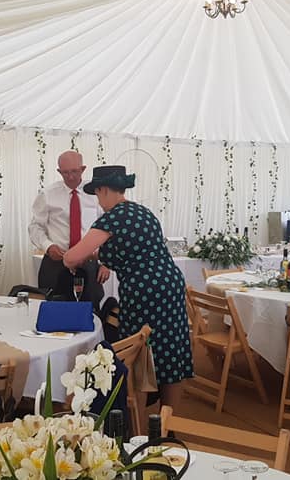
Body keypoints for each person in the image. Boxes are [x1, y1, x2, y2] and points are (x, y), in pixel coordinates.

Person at [63, 165, 193, 409]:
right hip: (171, 284)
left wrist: (70, 258)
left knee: (139, 351)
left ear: (102, 189)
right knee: (171, 349)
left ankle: (139, 427)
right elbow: (131, 250)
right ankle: (168, 422)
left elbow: (72, 257)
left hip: (144, 291)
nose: (99, 201)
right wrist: (96, 256)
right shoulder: (143, 212)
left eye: (98, 194)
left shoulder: (112, 217)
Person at [28, 151, 109, 305]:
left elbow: (106, 229)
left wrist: (106, 262)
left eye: (74, 171)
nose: (70, 176)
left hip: (89, 262)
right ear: (59, 171)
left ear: (83, 169)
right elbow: (35, 227)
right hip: (56, 261)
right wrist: (48, 246)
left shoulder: (95, 194)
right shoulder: (48, 194)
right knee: (54, 308)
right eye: (65, 172)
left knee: (91, 310)